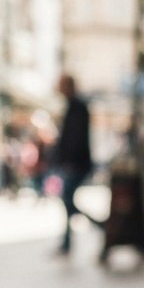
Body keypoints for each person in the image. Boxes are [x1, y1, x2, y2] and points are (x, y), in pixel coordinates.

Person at [52, 74, 97, 255]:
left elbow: (76, 139)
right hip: (72, 163)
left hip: (76, 164)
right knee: (67, 202)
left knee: (68, 202)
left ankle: (100, 225)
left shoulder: (78, 108)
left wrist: (69, 161)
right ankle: (67, 243)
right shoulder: (72, 107)